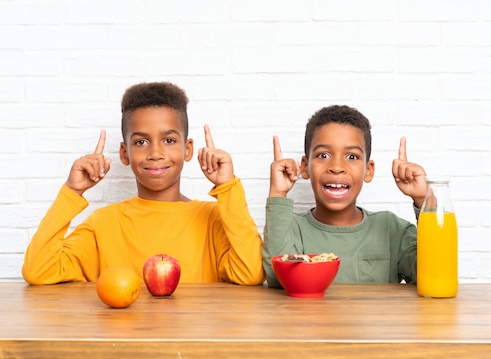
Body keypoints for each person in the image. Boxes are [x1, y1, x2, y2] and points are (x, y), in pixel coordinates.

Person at [22, 82, 265, 286]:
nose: (156, 153)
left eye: (169, 140)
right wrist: (72, 192)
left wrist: (228, 187)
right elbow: (39, 270)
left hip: (192, 342)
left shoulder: (212, 219)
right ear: (124, 153)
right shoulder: (104, 224)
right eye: (140, 142)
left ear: (188, 149)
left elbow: (251, 273)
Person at [262, 105, 427, 287]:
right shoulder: (291, 228)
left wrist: (424, 201)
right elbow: (276, 279)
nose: (337, 166)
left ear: (368, 170)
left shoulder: (391, 230)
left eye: (352, 157)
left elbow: (432, 274)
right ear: (305, 167)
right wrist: (278, 193)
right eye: (323, 155)